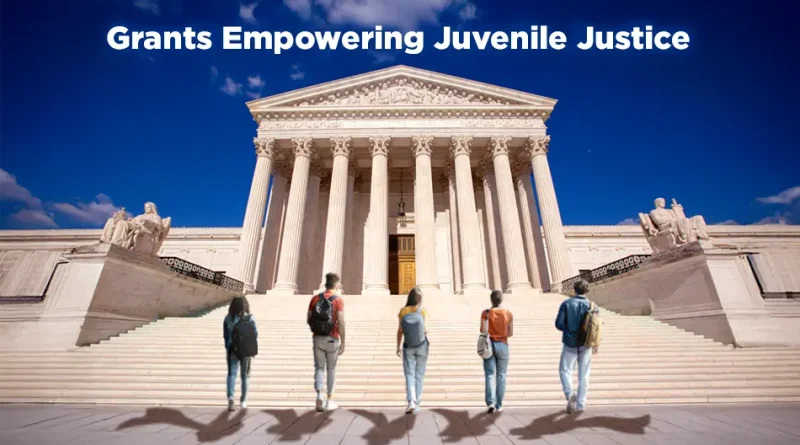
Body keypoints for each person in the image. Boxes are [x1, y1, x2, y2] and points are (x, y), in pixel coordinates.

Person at [556, 279, 598, 414]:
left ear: (574, 290)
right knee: (584, 374)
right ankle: (580, 405)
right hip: (586, 343)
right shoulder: (593, 306)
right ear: (586, 291)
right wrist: (595, 343)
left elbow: (558, 324)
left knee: (565, 371)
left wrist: (569, 330)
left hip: (570, 342)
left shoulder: (567, 304)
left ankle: (570, 395)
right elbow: (596, 327)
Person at [308, 272, 346, 412]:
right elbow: (341, 322)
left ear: (325, 283)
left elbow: (309, 318)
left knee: (319, 367)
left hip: (318, 337)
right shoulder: (338, 300)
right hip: (332, 338)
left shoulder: (314, 299)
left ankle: (318, 395)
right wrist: (343, 342)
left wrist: (317, 330)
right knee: (331, 369)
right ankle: (330, 399)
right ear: (336, 285)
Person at [396, 287, 429, 414]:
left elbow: (400, 331)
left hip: (408, 345)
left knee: (409, 374)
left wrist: (397, 346)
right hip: (422, 345)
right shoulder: (423, 311)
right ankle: (418, 404)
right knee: (419, 374)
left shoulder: (403, 311)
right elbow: (426, 329)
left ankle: (411, 401)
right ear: (420, 299)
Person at [481, 290, 513, 413]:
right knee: (501, 375)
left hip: (489, 346)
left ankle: (490, 403)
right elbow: (510, 333)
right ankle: (499, 404)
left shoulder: (486, 313)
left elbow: (483, 330)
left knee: (490, 374)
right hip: (503, 345)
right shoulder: (508, 313)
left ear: (491, 300)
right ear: (501, 300)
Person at [223, 296, 257, 411]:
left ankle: (231, 398)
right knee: (245, 376)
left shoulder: (228, 319)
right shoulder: (250, 318)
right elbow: (255, 334)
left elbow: (226, 336)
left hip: (232, 349)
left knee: (232, 374)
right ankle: (243, 400)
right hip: (246, 350)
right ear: (245, 305)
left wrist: (228, 346)